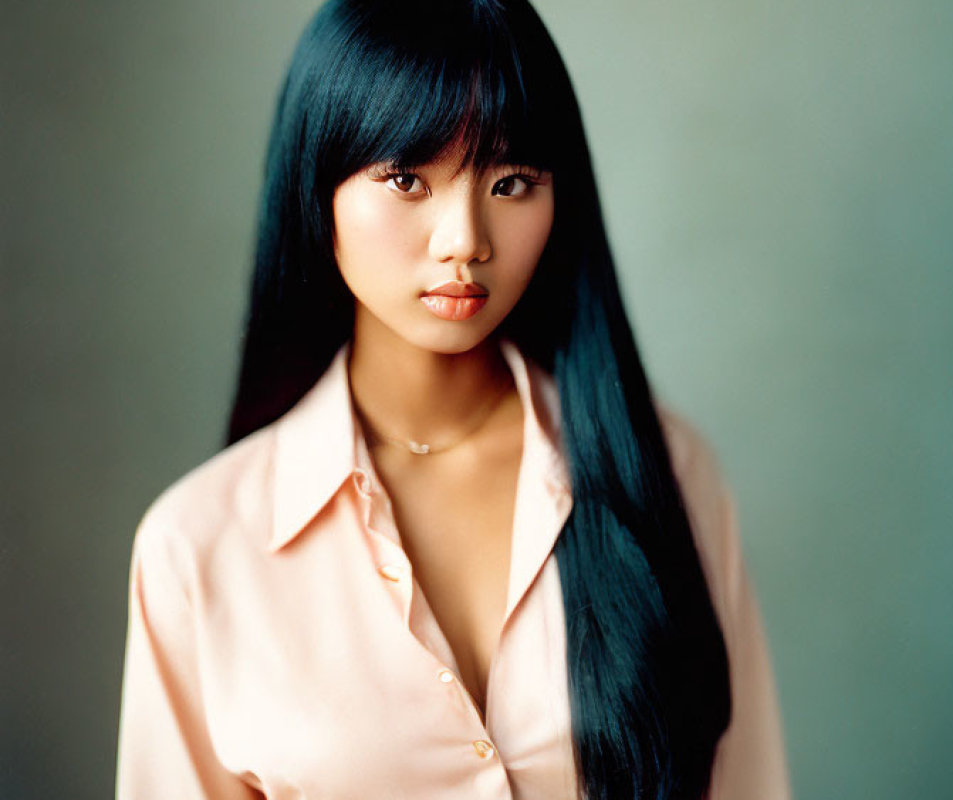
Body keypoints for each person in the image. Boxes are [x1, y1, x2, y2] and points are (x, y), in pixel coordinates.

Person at [115, 1, 790, 798]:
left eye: (511, 182)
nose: (465, 238)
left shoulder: (666, 474)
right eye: (406, 177)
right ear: (315, 183)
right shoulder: (199, 548)